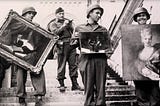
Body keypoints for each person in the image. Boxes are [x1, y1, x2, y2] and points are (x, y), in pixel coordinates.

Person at [71, 4, 112, 106]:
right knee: (88, 87)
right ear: (89, 13)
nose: (99, 15)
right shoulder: (79, 28)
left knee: (100, 87)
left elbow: (109, 47)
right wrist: (76, 39)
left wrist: (109, 51)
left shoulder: (103, 30)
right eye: (97, 13)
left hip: (100, 60)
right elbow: (72, 45)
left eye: (100, 13)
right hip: (86, 60)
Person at [7, 7, 46, 106]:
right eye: (29, 13)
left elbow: (39, 42)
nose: (32, 15)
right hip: (19, 54)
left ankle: (39, 97)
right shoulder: (15, 26)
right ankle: (21, 98)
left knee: (38, 72)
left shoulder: (36, 26)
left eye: (33, 14)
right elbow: (7, 36)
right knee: (20, 75)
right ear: (23, 15)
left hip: (32, 54)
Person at [47, 7, 82, 92]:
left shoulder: (68, 23)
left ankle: (75, 84)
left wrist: (70, 26)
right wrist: (63, 26)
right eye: (60, 13)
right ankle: (61, 84)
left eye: (63, 13)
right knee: (61, 65)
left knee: (73, 65)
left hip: (71, 45)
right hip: (61, 46)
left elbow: (73, 33)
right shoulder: (53, 24)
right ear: (56, 15)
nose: (62, 15)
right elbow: (55, 34)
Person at [132, 7, 160, 106]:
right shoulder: (132, 34)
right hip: (139, 75)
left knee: (155, 98)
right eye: (138, 16)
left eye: (143, 15)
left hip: (153, 75)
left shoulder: (156, 48)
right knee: (142, 98)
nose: (141, 17)